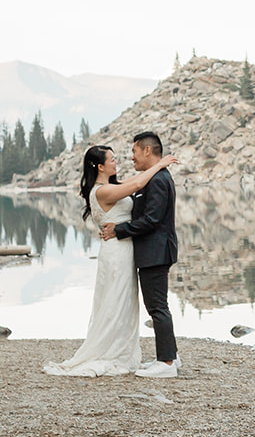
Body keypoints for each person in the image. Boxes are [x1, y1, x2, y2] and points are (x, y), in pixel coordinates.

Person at [43, 142, 177, 377]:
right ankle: (117, 352)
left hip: (125, 248)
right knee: (116, 300)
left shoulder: (112, 186)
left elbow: (136, 185)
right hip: (117, 252)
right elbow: (137, 183)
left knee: (125, 301)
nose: (117, 162)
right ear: (100, 166)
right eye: (112, 159)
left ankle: (129, 352)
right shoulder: (102, 191)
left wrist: (157, 167)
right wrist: (161, 164)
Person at [99, 131, 181, 378]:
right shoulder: (155, 177)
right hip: (154, 251)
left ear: (147, 150)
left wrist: (119, 230)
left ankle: (166, 363)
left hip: (155, 251)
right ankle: (172, 357)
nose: (131, 157)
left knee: (157, 307)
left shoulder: (158, 180)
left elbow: (152, 219)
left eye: (134, 151)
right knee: (158, 306)